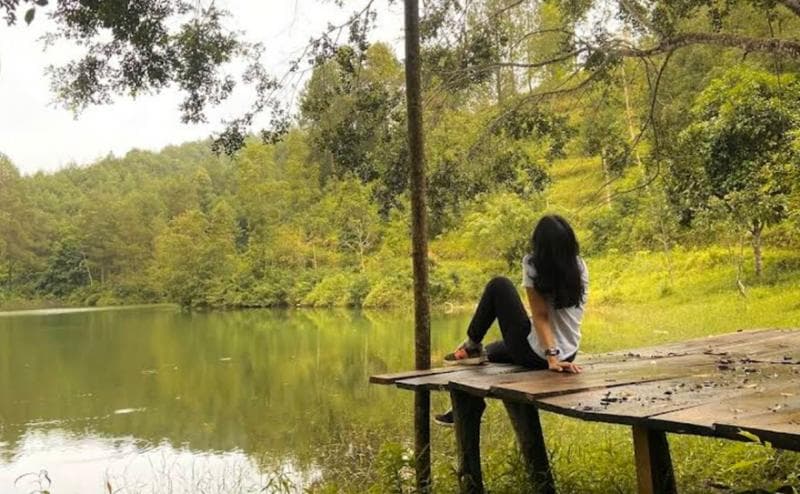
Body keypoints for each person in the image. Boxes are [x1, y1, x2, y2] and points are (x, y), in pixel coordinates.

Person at [435, 214, 589, 426]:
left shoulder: (532, 264)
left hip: (541, 353)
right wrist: (556, 356)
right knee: (490, 352)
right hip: (569, 354)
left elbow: (541, 316)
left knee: (499, 285)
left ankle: (471, 343)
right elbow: (549, 317)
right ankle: (464, 406)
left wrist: (551, 357)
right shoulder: (580, 266)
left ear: (539, 245)